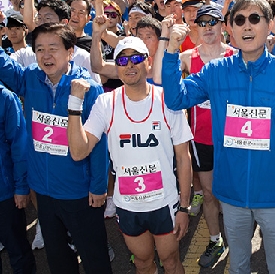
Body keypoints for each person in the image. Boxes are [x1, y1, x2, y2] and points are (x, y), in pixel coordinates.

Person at [162, 0, 275, 274]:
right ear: (230, 28)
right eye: (239, 20)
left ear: (268, 26)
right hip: (231, 192)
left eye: (255, 18)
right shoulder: (215, 71)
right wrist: (170, 51)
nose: (247, 26)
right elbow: (176, 99)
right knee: (239, 265)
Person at [67, 36, 193, 274]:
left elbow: (184, 157)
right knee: (143, 263)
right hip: (129, 206)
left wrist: (184, 208)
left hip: (164, 202)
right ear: (116, 67)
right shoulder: (106, 102)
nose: (129, 65)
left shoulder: (168, 100)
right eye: (122, 60)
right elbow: (78, 151)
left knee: (171, 261)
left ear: (148, 62)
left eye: (136, 58)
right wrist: (75, 105)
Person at [0, 23, 112, 274]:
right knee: (58, 258)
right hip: (44, 191)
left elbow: (99, 143)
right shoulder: (30, 78)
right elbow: (4, 68)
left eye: (53, 48)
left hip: (79, 192)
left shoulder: (88, 88)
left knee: (94, 258)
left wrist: (97, 187)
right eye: (40, 49)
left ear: (70, 52)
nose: (46, 56)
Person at [153, 5, 235, 268]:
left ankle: (238, 240)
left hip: (234, 138)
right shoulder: (188, 57)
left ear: (223, 25)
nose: (208, 27)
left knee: (234, 193)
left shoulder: (237, 55)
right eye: (203, 22)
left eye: (214, 21)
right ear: (196, 27)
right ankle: (215, 239)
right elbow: (157, 77)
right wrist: (167, 38)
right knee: (209, 194)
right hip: (202, 138)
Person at [0, 82, 36, 274]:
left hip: (4, 192)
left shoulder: (5, 97)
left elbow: (19, 145)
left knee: (18, 251)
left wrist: (21, 187)